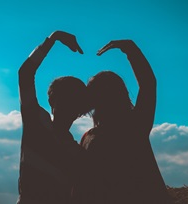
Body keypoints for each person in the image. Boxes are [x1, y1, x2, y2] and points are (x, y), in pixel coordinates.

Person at [72, 40, 171, 203]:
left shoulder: (133, 125)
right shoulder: (133, 125)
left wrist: (130, 49)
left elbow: (148, 84)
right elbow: (148, 84)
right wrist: (130, 49)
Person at [17, 30, 89, 204]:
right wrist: (53, 38)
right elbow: (25, 74)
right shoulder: (37, 121)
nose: (68, 108)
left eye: (72, 102)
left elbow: (25, 73)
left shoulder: (76, 150)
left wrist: (54, 38)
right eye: (66, 100)